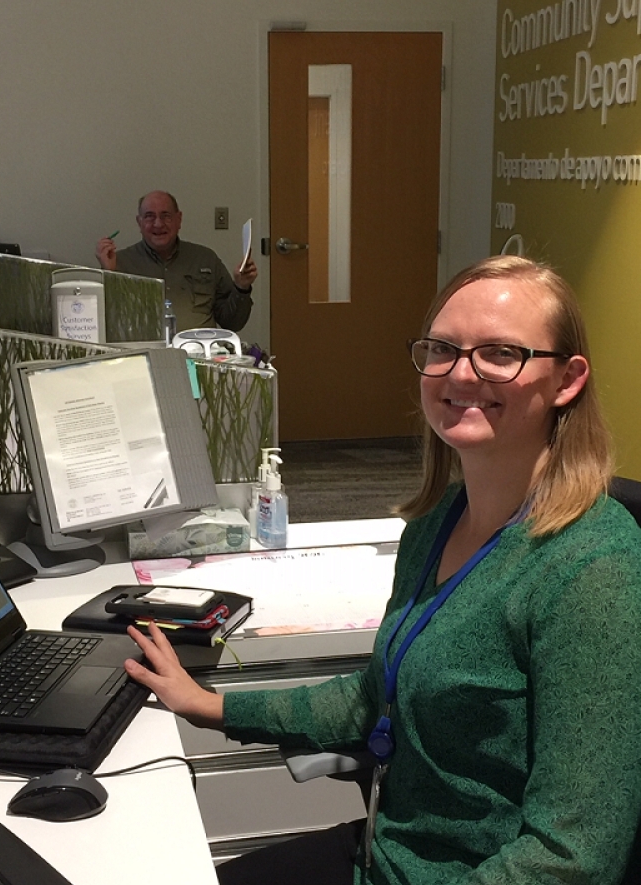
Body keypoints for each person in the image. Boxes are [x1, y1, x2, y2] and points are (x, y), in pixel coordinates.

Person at [123, 255, 641, 885]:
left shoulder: (591, 569)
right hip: (382, 855)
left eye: (500, 354)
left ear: (566, 379)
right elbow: (375, 698)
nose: (460, 372)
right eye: (443, 348)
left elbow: (574, 859)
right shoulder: (438, 522)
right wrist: (213, 707)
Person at [95, 191, 257, 332]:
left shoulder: (205, 258)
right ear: (139, 222)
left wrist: (241, 288)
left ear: (179, 220)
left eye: (166, 216)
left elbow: (233, 323)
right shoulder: (119, 263)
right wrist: (109, 274)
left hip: (197, 356)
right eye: (149, 217)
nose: (158, 224)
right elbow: (107, 326)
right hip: (142, 357)